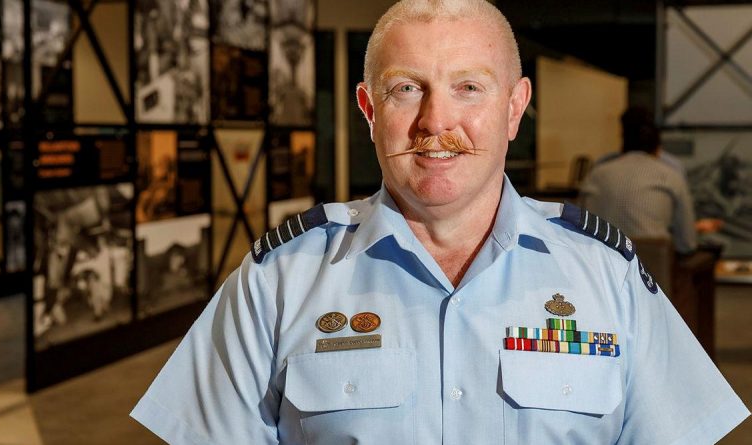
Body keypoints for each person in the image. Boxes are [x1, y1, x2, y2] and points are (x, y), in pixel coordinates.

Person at [131, 1, 749, 443]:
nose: (436, 121)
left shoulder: (608, 277)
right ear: (369, 109)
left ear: (515, 108)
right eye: (406, 89)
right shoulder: (276, 281)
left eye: (469, 88)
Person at [580, 107, 714, 254]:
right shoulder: (670, 175)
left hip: (600, 269)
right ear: (658, 148)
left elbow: (579, 229)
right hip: (652, 270)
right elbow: (687, 244)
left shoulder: (595, 175)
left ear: (622, 143)